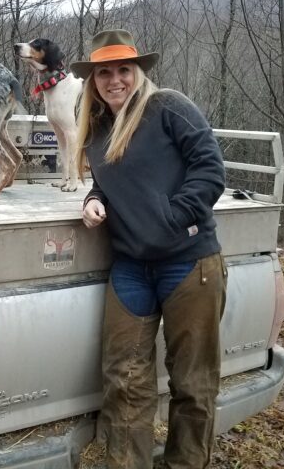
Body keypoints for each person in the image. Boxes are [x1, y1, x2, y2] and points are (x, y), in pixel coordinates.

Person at [71, 29, 228, 469]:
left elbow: (210, 169)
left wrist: (172, 219)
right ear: (93, 79)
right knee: (124, 381)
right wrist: (93, 200)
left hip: (188, 264)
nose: (114, 80)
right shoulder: (97, 128)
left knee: (193, 383)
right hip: (132, 268)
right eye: (104, 72)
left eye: (124, 69)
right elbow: (107, 181)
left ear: (138, 72)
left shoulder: (168, 107)